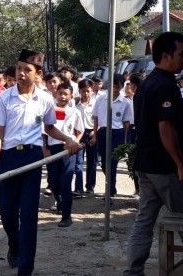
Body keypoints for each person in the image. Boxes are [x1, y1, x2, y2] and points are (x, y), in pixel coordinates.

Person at [0, 49, 80, 275]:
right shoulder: (3, 99)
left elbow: (49, 128)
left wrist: (68, 139)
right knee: (7, 211)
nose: (21, 73)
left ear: (37, 73)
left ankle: (25, 269)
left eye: (27, 70)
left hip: (32, 160)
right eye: (18, 68)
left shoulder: (46, 99)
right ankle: (14, 244)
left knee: (28, 215)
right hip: (8, 159)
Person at [124, 32, 183, 276]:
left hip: (145, 163)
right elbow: (165, 127)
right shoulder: (165, 85)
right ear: (166, 55)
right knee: (181, 215)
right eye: (181, 54)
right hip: (164, 166)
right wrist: (179, 162)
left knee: (144, 219)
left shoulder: (147, 83)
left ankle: (134, 270)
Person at [46, 82, 84, 227]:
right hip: (53, 148)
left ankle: (66, 216)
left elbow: (79, 131)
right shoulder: (50, 110)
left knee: (65, 182)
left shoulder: (74, 112)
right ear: (55, 93)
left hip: (69, 150)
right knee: (53, 180)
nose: (62, 96)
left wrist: (75, 142)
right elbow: (45, 130)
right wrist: (45, 148)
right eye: (60, 93)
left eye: (66, 94)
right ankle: (60, 202)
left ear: (70, 96)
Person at [90, 73, 132, 199]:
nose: (115, 89)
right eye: (113, 86)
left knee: (112, 163)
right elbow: (96, 118)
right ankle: (112, 188)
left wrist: (124, 141)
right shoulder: (101, 99)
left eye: (118, 87)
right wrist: (95, 135)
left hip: (117, 133)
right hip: (103, 132)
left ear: (121, 87)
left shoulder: (125, 102)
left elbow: (126, 122)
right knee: (104, 163)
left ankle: (109, 192)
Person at [74, 78, 97, 194]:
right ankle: (78, 188)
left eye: (88, 91)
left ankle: (90, 186)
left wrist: (95, 133)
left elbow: (101, 120)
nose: (86, 93)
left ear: (92, 90)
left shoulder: (96, 103)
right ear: (79, 91)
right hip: (78, 134)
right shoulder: (75, 104)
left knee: (92, 161)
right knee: (78, 162)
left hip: (91, 133)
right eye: (83, 91)